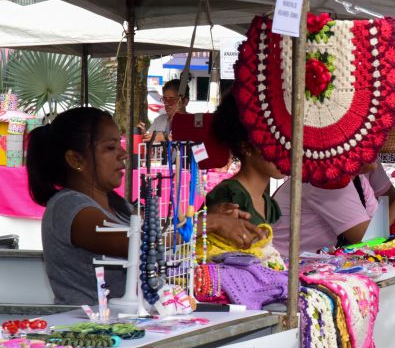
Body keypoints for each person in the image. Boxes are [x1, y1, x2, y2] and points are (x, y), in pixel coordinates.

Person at [27, 107, 266, 305]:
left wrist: (209, 217)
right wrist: (209, 223)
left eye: (119, 144)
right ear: (75, 159)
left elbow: (155, 231)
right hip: (86, 327)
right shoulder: (67, 206)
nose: (122, 153)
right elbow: (133, 243)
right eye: (110, 148)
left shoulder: (116, 204)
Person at [270, 162, 395, 258]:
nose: (378, 147)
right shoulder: (329, 180)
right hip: (287, 266)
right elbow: (368, 239)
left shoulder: (359, 180)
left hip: (314, 262)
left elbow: (376, 230)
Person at [205, 93, 283, 226]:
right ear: (245, 147)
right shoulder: (229, 195)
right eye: (274, 143)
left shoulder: (270, 205)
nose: (284, 153)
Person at [139, 78, 189, 143]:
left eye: (172, 99)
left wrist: (164, 137)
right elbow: (149, 139)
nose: (167, 103)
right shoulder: (159, 120)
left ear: (185, 102)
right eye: (165, 99)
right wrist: (145, 135)